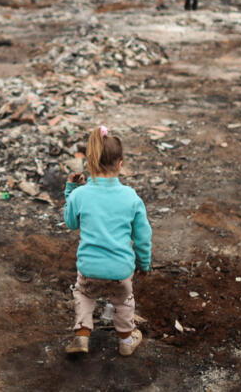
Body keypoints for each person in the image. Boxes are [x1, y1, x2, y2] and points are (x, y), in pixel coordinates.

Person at [63, 126, 152, 357]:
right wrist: (143, 264)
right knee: (123, 301)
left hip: (89, 267)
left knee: (84, 295)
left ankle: (82, 335)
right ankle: (126, 341)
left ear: (89, 164)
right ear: (120, 164)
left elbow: (71, 222)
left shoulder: (80, 194)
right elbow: (142, 237)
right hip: (120, 270)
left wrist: (71, 190)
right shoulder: (131, 197)